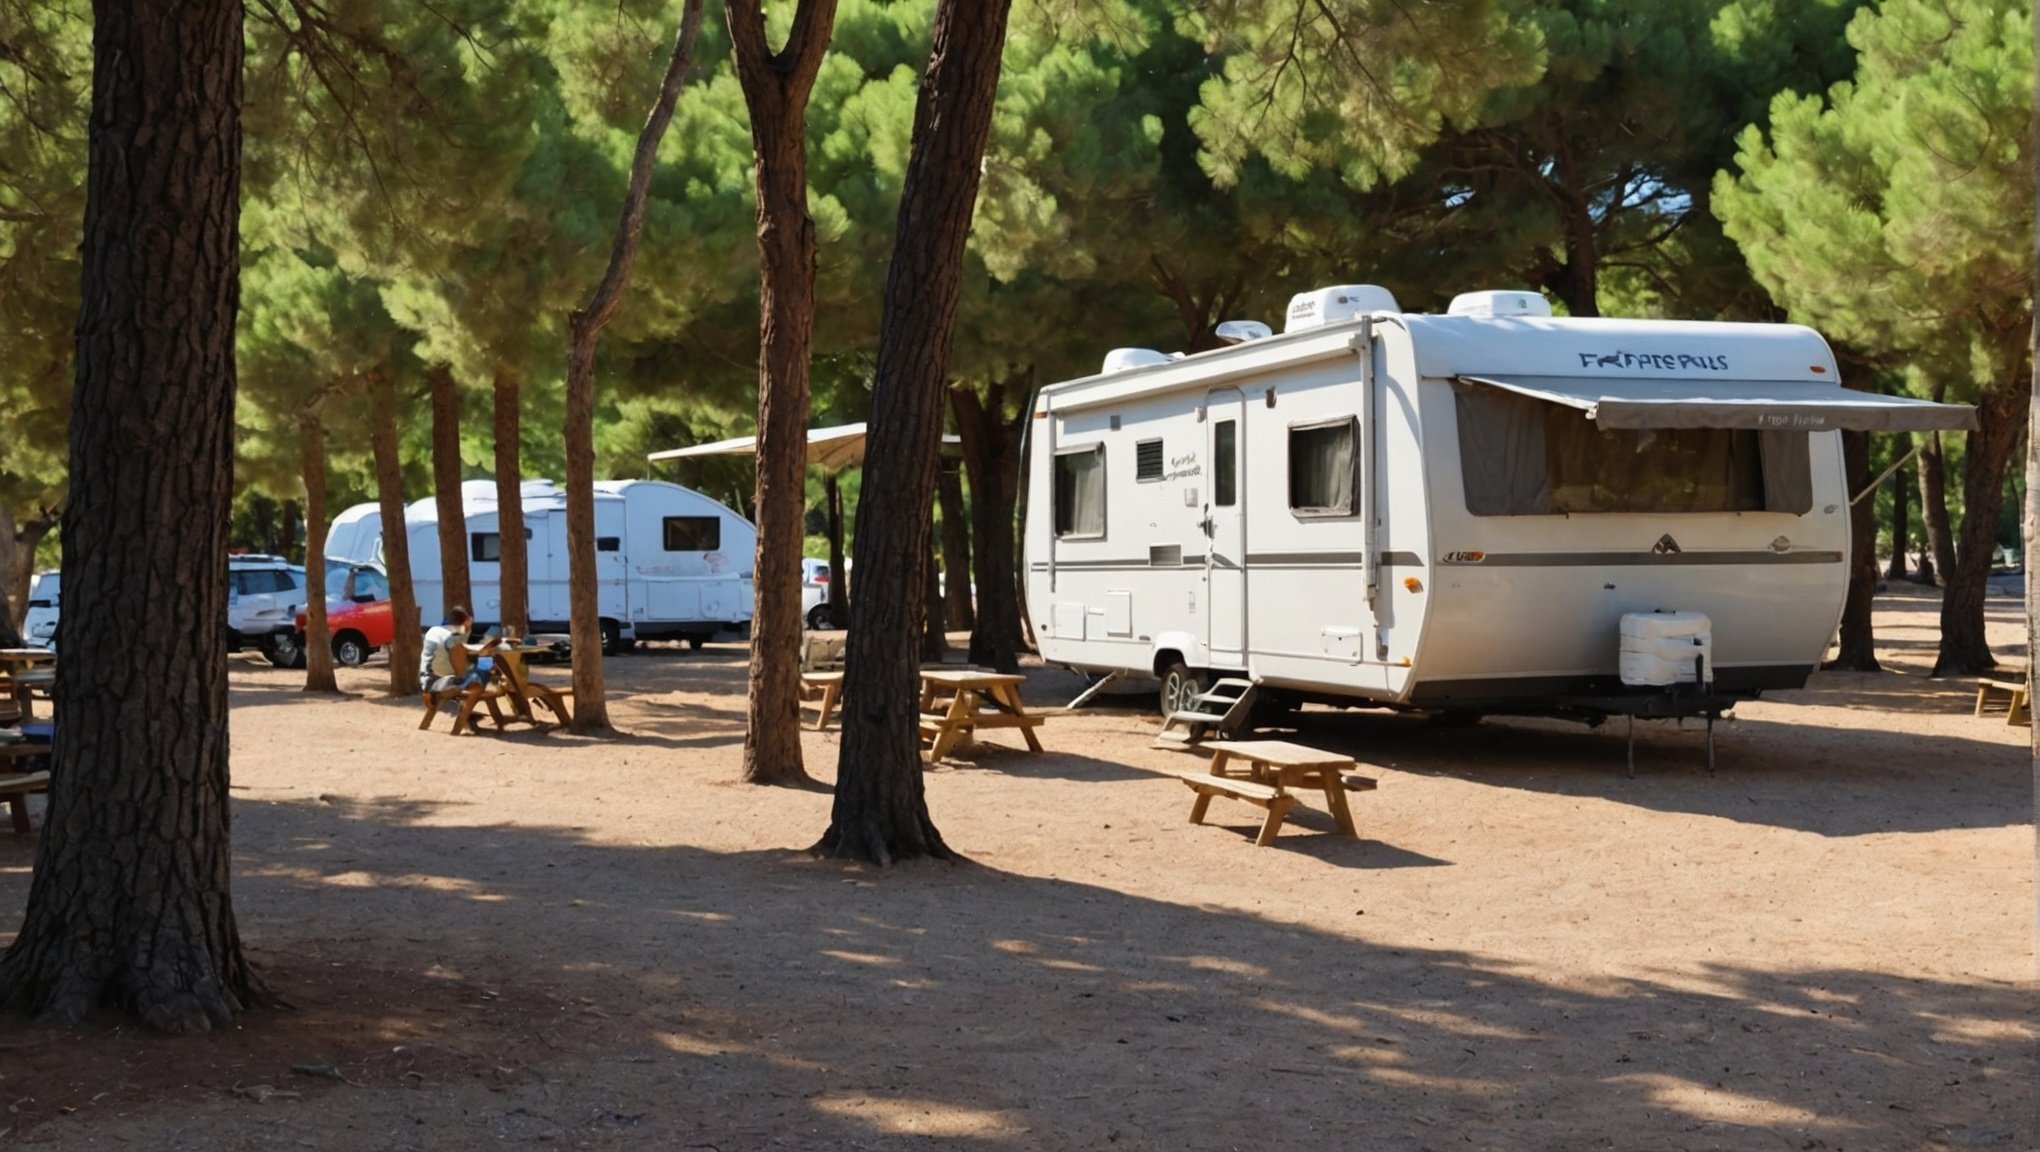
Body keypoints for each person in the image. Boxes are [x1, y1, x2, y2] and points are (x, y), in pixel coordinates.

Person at [420, 608, 485, 694]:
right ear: (467, 620)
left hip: (426, 679)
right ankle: (466, 706)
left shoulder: (433, 630)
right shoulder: (454, 638)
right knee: (485, 671)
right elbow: (461, 673)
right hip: (444, 680)